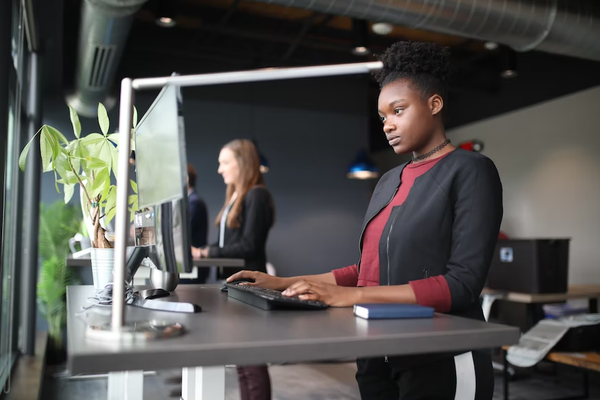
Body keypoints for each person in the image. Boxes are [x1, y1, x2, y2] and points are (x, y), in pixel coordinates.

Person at [227, 41, 503, 400]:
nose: (388, 125)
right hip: (377, 352)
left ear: (435, 104)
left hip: (438, 355)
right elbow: (368, 268)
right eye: (383, 117)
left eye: (398, 110)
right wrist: (284, 282)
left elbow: (461, 284)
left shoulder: (470, 170)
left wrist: (348, 296)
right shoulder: (389, 180)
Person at [193, 139, 275, 400]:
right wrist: (207, 250)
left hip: (249, 287)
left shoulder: (256, 195)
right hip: (234, 287)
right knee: (242, 360)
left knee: (251, 361)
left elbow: (248, 246)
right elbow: (230, 244)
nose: (220, 169)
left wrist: (208, 252)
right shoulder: (236, 197)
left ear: (243, 163)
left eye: (225, 162)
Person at [184, 164, 210, 284]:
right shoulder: (190, 202)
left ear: (186, 179)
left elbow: (182, 230)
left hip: (194, 266)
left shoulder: (194, 203)